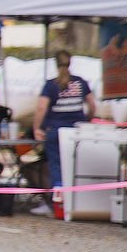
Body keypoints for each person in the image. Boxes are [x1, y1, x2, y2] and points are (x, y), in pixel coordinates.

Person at [33, 50, 96, 215]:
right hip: (77, 131)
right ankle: (78, 203)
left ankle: (58, 206)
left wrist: (36, 128)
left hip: (56, 130)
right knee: (76, 167)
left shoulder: (50, 85)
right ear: (71, 63)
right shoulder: (81, 82)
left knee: (56, 167)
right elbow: (92, 105)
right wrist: (87, 119)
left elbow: (41, 108)